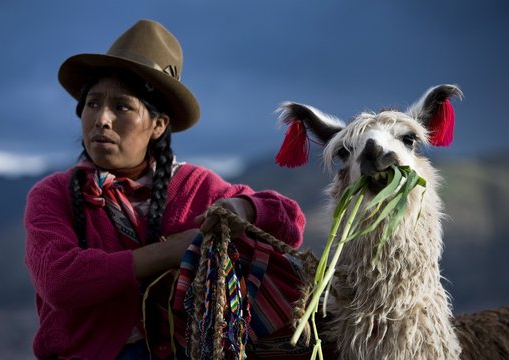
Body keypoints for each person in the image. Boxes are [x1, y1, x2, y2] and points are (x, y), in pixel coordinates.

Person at [24, 19, 306, 359]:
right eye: (93, 103)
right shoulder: (53, 194)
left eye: (122, 107)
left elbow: (289, 220)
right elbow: (60, 280)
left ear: (158, 125)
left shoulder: (194, 187)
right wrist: (172, 252)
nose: (101, 119)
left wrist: (241, 210)